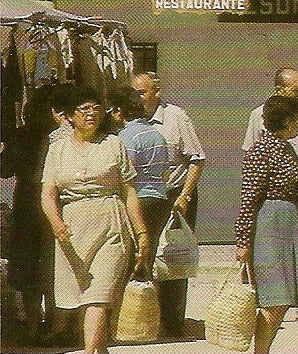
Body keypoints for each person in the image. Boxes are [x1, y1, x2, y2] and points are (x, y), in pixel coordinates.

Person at [39, 86, 150, 354]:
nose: (91, 114)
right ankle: (98, 350)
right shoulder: (58, 150)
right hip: (72, 228)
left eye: (96, 108)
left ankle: (90, 352)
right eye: (84, 109)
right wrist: (55, 222)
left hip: (111, 222)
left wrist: (142, 232)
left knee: (99, 295)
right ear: (69, 116)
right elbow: (48, 193)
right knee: (82, 296)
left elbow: (129, 191)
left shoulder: (114, 144)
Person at [236, 95, 298, 354]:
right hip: (269, 227)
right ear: (286, 121)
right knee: (274, 299)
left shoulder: (287, 148)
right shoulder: (261, 150)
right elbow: (249, 198)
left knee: (282, 300)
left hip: (290, 226)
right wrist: (242, 241)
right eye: (297, 119)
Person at [243, 68, 298, 320]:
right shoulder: (261, 123)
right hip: (272, 209)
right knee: (274, 276)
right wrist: (243, 240)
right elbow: (250, 193)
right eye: (295, 90)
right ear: (279, 90)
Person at [131, 71, 205, 338]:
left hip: (175, 194)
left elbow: (197, 158)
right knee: (142, 255)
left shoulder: (176, 117)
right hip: (141, 196)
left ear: (156, 93)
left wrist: (185, 195)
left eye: (142, 92)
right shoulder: (128, 118)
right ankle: (140, 321)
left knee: (173, 260)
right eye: (134, 93)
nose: (138, 98)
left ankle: (172, 323)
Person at [0, 85, 62, 344]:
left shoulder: (21, 135)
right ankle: (54, 324)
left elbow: (4, 170)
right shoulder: (61, 137)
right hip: (57, 204)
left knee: (28, 267)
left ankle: (33, 325)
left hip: (27, 204)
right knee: (53, 265)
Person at [112, 88, 170, 280]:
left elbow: (125, 173)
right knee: (148, 256)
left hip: (139, 200)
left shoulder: (126, 137)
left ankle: (132, 305)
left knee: (130, 260)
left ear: (119, 110)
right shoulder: (157, 135)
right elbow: (164, 171)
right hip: (160, 200)